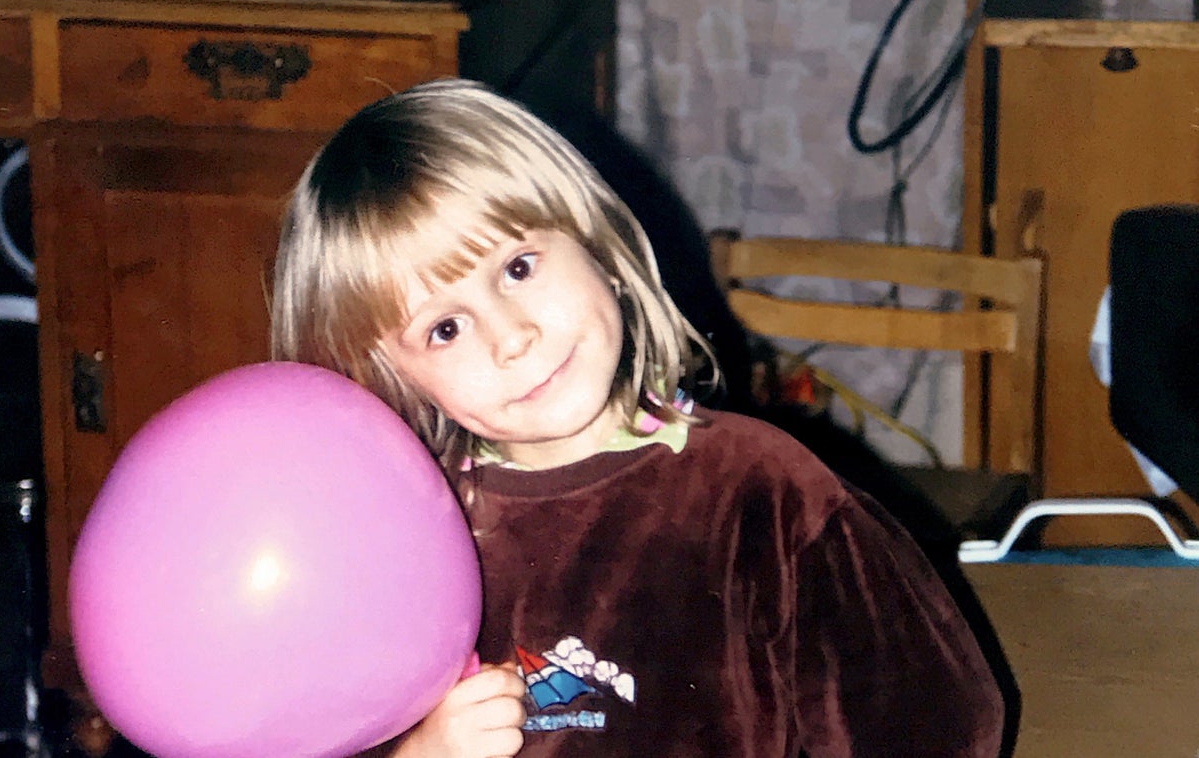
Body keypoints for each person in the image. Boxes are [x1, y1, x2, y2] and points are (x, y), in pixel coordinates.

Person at [269, 78, 1006, 758]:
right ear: (396, 378)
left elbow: (939, 724)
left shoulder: (762, 491)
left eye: (518, 268)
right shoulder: (399, 544)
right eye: (445, 328)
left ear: (596, 246)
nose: (511, 337)